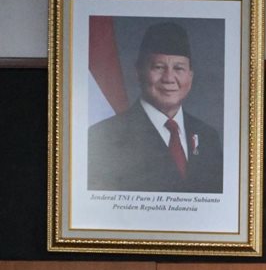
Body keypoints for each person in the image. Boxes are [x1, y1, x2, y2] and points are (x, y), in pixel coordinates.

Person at [86, 21, 222, 193]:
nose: (169, 78)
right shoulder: (104, 136)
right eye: (158, 67)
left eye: (179, 68)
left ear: (191, 76)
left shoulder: (208, 137)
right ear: (139, 72)